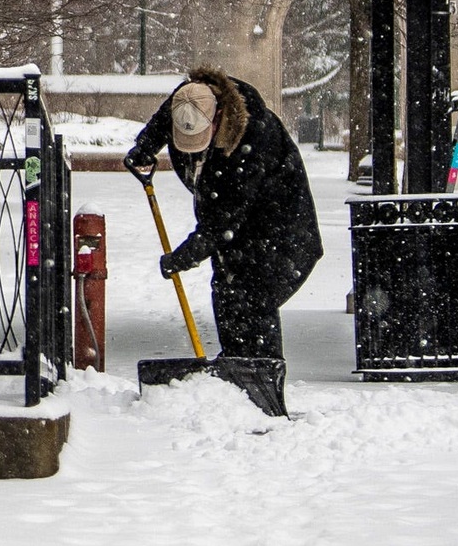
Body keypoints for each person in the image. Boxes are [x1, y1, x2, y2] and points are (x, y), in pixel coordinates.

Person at [124, 69, 323, 361]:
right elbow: (166, 118)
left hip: (280, 232)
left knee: (253, 297)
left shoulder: (253, 138)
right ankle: (234, 367)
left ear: (217, 117)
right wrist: (145, 146)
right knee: (226, 289)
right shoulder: (190, 99)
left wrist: (182, 257)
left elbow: (221, 223)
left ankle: (261, 374)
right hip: (235, 227)